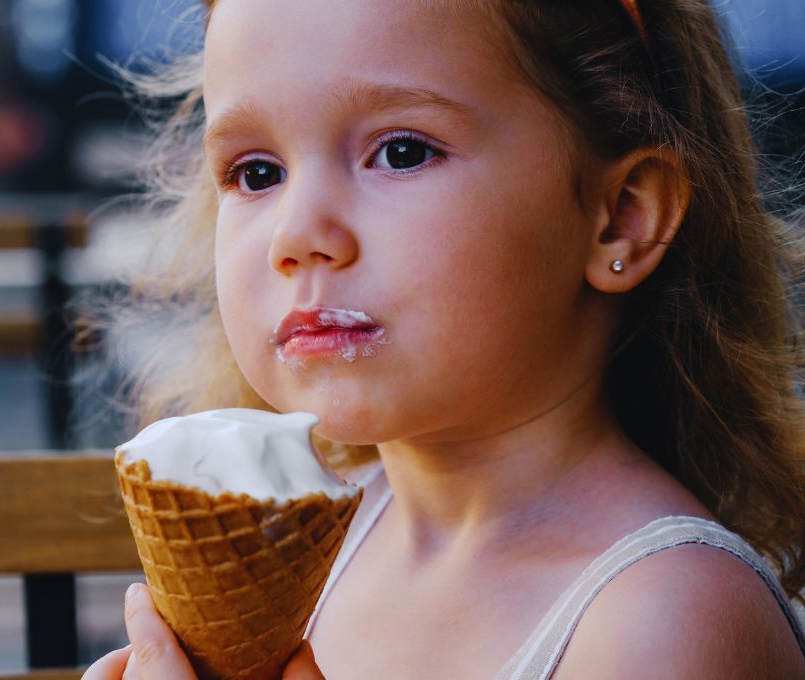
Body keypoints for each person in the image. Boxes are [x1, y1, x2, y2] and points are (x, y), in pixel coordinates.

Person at [84, 0, 805, 677]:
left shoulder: (667, 619)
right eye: (257, 172)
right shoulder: (303, 553)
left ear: (620, 216)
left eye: (400, 153)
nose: (297, 234)